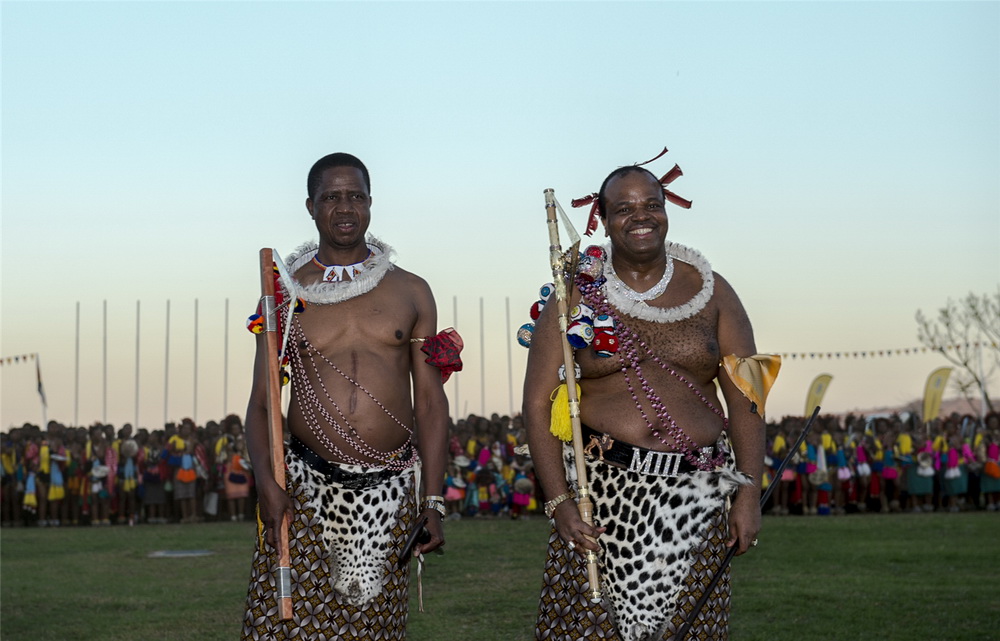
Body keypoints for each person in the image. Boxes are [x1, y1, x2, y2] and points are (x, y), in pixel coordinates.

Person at [523, 162, 771, 641]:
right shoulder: (572, 293)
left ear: (666, 211)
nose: (641, 216)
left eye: (652, 205)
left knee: (691, 631)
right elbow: (537, 403)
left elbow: (748, 402)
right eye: (624, 208)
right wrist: (559, 501)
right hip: (601, 499)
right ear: (602, 217)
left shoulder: (717, 292)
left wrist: (748, 492)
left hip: (696, 499)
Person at [241, 152, 457, 641]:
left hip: (392, 488)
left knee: (374, 629)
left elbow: (430, 403)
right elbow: (260, 404)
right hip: (303, 485)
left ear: (370, 204)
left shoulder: (412, 290)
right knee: (284, 627)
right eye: (331, 197)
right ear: (311, 206)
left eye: (355, 196)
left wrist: (434, 500)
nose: (345, 207)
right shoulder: (283, 296)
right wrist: (267, 485)